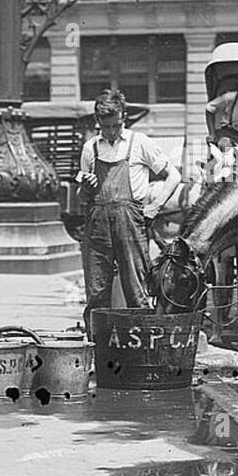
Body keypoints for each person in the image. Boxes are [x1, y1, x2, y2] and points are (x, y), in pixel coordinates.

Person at [77, 89, 180, 332]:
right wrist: (85, 187)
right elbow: (83, 198)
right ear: (98, 122)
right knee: (97, 290)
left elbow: (173, 175)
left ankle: (142, 344)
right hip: (98, 226)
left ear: (124, 117)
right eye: (107, 127)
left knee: (137, 288)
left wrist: (155, 206)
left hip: (131, 225)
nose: (112, 132)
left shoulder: (139, 142)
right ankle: (97, 346)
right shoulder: (89, 148)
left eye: (116, 125)